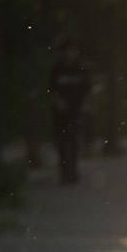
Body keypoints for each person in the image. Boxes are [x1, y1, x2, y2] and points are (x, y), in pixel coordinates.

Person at [48, 37, 93, 185]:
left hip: (76, 110)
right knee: (62, 142)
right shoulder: (57, 69)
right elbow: (52, 89)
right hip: (60, 112)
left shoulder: (81, 68)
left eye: (73, 50)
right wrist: (58, 102)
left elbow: (87, 89)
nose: (70, 53)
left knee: (74, 141)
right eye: (68, 50)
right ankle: (64, 172)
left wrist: (85, 105)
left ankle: (73, 171)